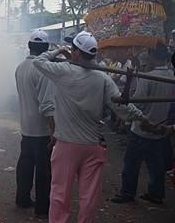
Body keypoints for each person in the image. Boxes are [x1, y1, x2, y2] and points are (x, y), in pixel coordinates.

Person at [33, 31, 149, 223]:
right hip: (92, 145)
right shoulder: (101, 78)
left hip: (67, 146)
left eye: (73, 49)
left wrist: (59, 50)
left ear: (77, 53)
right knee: (89, 196)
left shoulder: (64, 71)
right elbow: (121, 106)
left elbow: (38, 61)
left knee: (60, 194)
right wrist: (142, 118)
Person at [111, 43, 174, 205]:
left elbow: (136, 104)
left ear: (153, 56)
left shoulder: (148, 78)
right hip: (160, 127)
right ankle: (156, 193)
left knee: (132, 162)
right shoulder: (172, 76)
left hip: (142, 127)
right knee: (156, 164)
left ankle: (127, 192)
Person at [14, 29, 55, 217]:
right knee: (44, 171)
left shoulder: (20, 67)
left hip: (26, 126)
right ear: (46, 48)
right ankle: (42, 209)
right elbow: (47, 105)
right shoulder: (43, 70)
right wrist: (54, 131)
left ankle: (22, 199)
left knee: (25, 164)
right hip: (41, 129)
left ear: (30, 46)